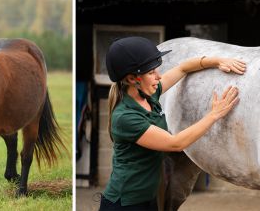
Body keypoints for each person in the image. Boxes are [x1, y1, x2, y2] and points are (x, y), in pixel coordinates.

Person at [99, 36, 246, 211]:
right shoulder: (125, 117)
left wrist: (218, 61)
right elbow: (176, 143)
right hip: (126, 204)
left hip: (147, 199)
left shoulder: (149, 94)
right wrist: (214, 115)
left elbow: (183, 68)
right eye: (151, 73)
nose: (158, 76)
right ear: (132, 79)